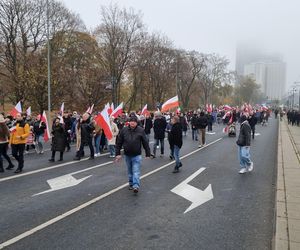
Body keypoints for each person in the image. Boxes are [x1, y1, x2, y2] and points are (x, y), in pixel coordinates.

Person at [115, 115, 150, 193]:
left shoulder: (140, 130)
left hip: (137, 155)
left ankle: (136, 186)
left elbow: (145, 142)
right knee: (130, 171)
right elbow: (119, 142)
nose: (132, 123)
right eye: (131, 121)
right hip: (127, 154)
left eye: (134, 122)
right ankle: (131, 183)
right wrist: (117, 153)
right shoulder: (124, 130)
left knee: (136, 171)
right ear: (129, 122)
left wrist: (148, 153)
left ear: (136, 122)